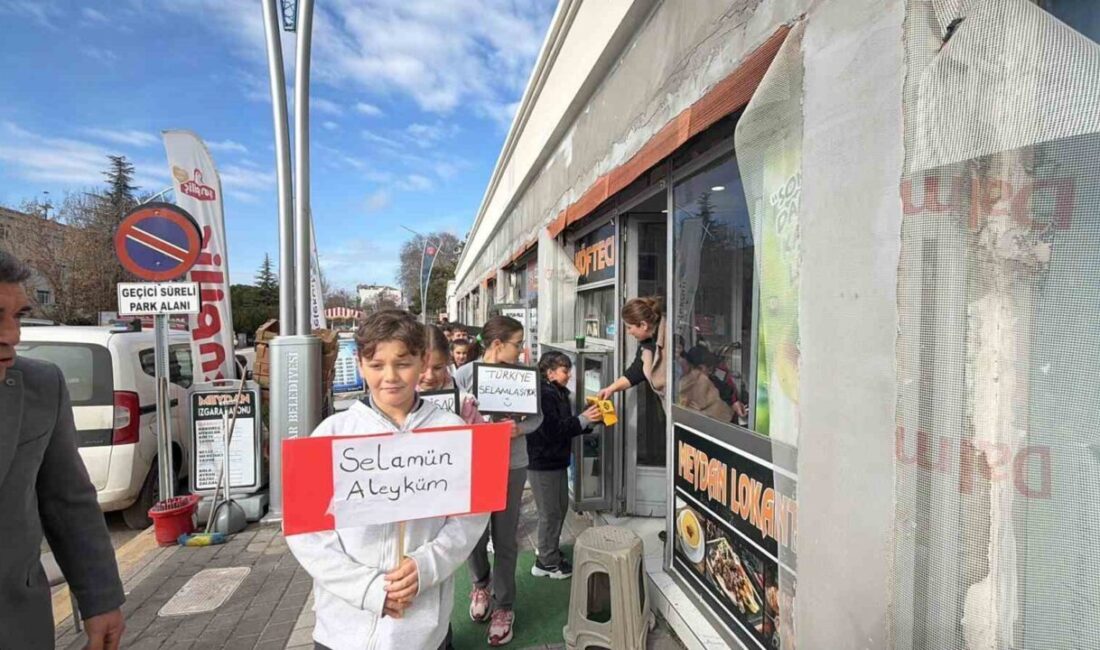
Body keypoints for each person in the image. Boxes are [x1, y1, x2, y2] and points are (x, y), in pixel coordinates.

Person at [287, 310, 489, 650]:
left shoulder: (452, 429)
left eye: (403, 363)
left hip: (424, 628)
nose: (390, 376)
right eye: (377, 365)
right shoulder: (330, 434)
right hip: (342, 628)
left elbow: (470, 517)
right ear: (360, 363)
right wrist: (365, 588)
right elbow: (306, 532)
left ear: (423, 361)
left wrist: (427, 563)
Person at [0, 251, 126, 649]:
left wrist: (100, 599)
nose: (12, 335)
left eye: (17, 316)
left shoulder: (41, 386)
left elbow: (67, 502)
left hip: (19, 626)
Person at [452, 316, 543, 646]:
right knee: (472, 535)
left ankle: (504, 606)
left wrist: (521, 429)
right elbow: (445, 415)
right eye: (517, 344)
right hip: (472, 466)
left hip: (512, 464)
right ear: (497, 344)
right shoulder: (462, 376)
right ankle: (481, 583)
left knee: (505, 537)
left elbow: (537, 417)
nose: (520, 352)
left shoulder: (525, 377)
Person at [526, 351, 601, 579]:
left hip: (555, 461)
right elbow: (552, 430)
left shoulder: (557, 392)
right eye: (564, 370)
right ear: (550, 372)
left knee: (558, 509)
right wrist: (584, 420)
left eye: (569, 370)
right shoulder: (545, 395)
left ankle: (550, 553)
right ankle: (546, 560)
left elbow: (564, 426)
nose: (569, 375)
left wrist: (587, 423)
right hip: (542, 462)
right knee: (550, 512)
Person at [596, 296, 667, 405]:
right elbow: (636, 371)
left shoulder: (670, 339)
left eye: (629, 327)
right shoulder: (646, 343)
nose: (628, 332)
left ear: (643, 325)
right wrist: (611, 389)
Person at [678, 346, 733, 422]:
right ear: (699, 368)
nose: (710, 373)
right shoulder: (700, 380)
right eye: (709, 370)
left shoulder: (713, 380)